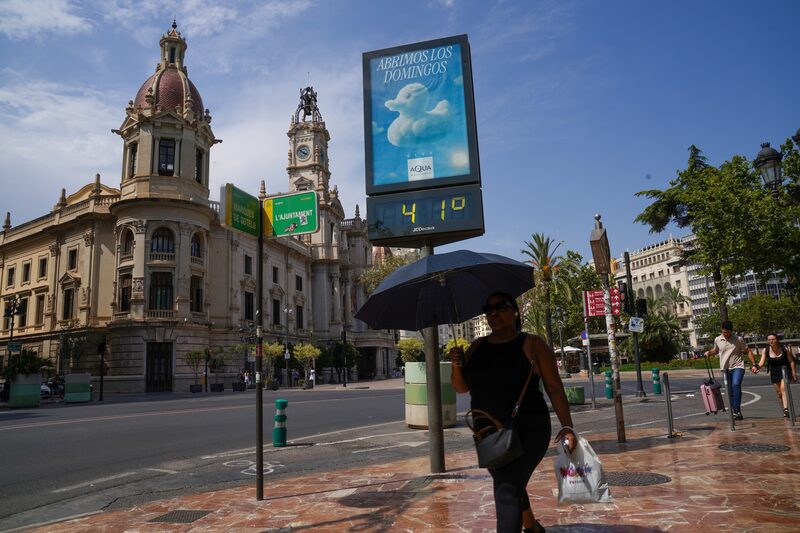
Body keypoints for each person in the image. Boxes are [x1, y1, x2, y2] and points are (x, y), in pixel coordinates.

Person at [450, 292, 576, 533]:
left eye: (501, 307)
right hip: (488, 433)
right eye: (488, 309)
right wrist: (457, 364)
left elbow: (554, 388)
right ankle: (533, 528)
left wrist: (567, 426)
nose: (494, 313)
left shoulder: (532, 344)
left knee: (506, 488)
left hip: (528, 430)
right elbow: (461, 387)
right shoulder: (477, 346)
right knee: (509, 482)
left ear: (515, 312)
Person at [704, 320, 757, 420]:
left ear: (731, 331)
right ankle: (734, 411)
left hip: (738, 366)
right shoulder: (717, 339)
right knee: (730, 390)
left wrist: (754, 364)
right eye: (724, 332)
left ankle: (736, 410)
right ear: (721, 330)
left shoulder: (738, 339)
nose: (726, 334)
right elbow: (716, 350)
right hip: (725, 368)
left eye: (728, 332)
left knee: (736, 385)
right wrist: (709, 353)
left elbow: (748, 351)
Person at [755, 333, 797, 417]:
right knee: (779, 393)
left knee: (783, 388)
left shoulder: (784, 349)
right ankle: (784, 410)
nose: (771, 341)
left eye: (773, 339)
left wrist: (794, 373)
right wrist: (756, 367)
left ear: (777, 340)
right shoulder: (766, 350)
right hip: (774, 372)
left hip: (785, 370)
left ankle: (786, 408)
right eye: (769, 340)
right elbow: (761, 362)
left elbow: (791, 361)